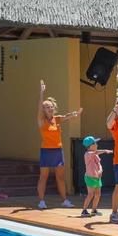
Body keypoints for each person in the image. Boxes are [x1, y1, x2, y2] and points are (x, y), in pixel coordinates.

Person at [37, 80, 82, 209]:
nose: (49, 108)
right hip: (46, 151)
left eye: (51, 106)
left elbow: (67, 116)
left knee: (60, 176)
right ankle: (41, 201)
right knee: (44, 176)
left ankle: (64, 200)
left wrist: (75, 114)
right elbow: (39, 107)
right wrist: (41, 92)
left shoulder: (57, 119)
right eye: (47, 107)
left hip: (58, 150)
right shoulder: (41, 121)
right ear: (43, 110)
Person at [80, 136, 112, 217]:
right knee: (90, 194)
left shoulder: (95, 155)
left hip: (97, 177)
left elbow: (99, 164)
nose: (97, 144)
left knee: (98, 194)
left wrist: (100, 170)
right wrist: (105, 151)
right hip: (90, 177)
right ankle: (84, 210)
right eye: (95, 143)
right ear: (90, 146)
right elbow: (95, 152)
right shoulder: (87, 154)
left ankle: (94, 210)